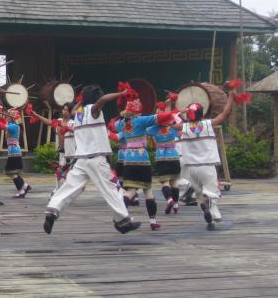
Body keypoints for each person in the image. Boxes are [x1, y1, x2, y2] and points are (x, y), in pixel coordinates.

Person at [44, 85, 141, 235]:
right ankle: (123, 222)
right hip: (96, 158)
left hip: (81, 160)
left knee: (69, 187)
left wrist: (81, 100)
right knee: (110, 190)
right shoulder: (94, 111)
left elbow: (79, 106)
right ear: (95, 99)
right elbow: (103, 99)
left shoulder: (78, 113)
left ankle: (52, 210)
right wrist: (121, 93)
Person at [115, 93, 177, 231]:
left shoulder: (121, 124)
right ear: (138, 112)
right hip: (142, 160)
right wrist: (175, 112)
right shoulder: (141, 120)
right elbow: (160, 118)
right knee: (148, 190)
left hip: (128, 161)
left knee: (130, 191)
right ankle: (152, 220)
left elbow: (114, 128)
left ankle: (121, 215)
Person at [178, 90, 235, 230]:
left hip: (190, 169)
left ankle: (209, 215)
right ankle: (212, 207)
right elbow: (225, 114)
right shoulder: (209, 125)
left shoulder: (183, 127)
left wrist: (178, 110)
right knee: (212, 192)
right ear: (201, 113)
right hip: (206, 166)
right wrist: (231, 98)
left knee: (198, 195)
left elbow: (172, 120)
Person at [147, 99, 183, 215]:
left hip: (161, 158)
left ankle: (169, 199)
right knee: (174, 182)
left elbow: (147, 129)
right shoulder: (174, 128)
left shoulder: (154, 129)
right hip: (174, 157)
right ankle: (176, 205)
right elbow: (180, 127)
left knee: (165, 182)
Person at [31, 103, 76, 190]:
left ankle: (58, 191)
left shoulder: (72, 123)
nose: (64, 111)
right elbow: (48, 122)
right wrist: (36, 115)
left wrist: (68, 128)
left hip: (70, 153)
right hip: (61, 153)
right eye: (64, 109)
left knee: (60, 173)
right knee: (64, 174)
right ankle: (61, 190)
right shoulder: (58, 121)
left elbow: (78, 131)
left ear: (70, 112)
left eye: (67, 110)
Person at [4, 109, 31, 198]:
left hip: (14, 152)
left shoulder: (14, 126)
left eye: (8, 116)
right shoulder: (12, 125)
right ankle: (25, 186)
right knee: (13, 172)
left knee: (11, 172)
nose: (6, 117)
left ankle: (21, 190)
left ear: (13, 117)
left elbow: (2, 126)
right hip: (14, 151)